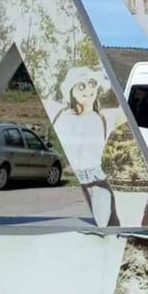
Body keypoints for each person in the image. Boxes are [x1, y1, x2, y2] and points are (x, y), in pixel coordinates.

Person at [51, 65, 121, 227]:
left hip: (97, 183)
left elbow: (125, 112)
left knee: (102, 226)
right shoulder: (60, 114)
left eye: (92, 83)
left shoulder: (104, 117)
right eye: (81, 85)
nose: (87, 89)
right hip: (71, 183)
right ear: (71, 91)